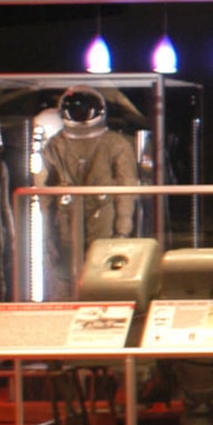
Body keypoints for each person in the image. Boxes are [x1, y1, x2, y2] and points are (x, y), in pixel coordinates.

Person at [40, 87, 139, 293]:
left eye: (83, 110)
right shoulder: (56, 145)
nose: (78, 114)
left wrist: (122, 232)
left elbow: (126, 192)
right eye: (73, 110)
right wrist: (46, 236)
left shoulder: (115, 144)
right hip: (66, 220)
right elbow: (44, 193)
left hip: (104, 220)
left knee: (102, 277)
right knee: (67, 277)